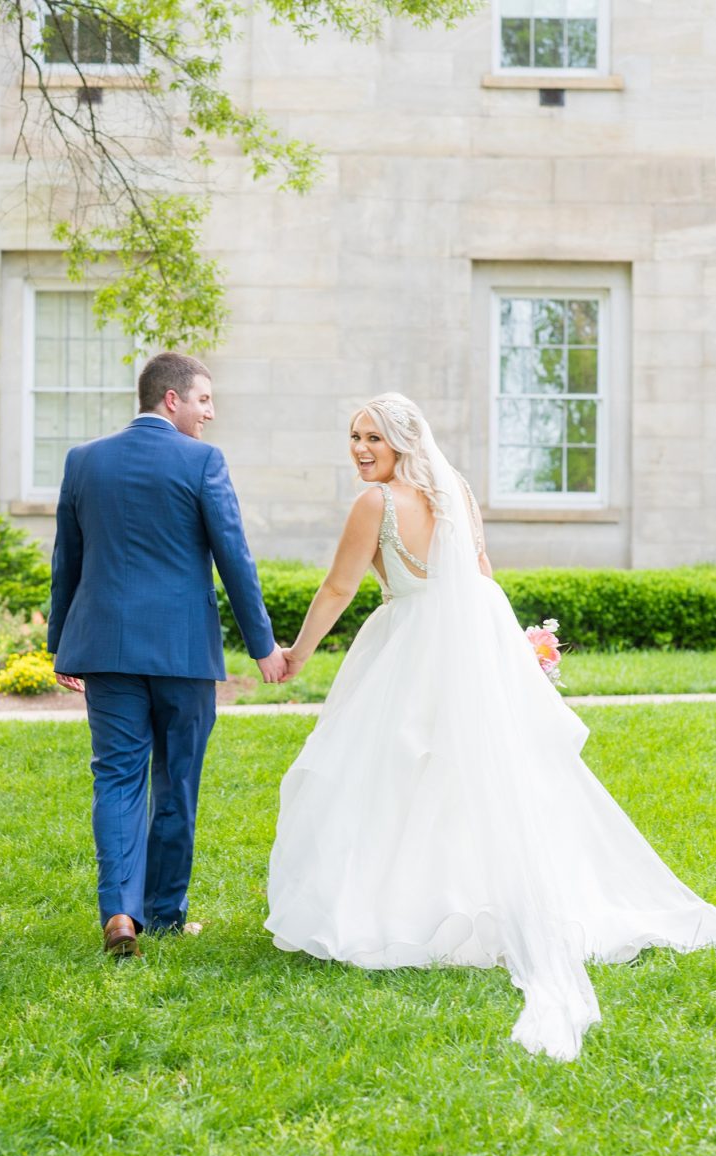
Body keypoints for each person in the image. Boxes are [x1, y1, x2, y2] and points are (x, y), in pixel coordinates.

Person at [266, 392, 716, 1061]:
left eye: (374, 438)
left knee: (397, 772)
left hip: (414, 646)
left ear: (402, 444)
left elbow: (337, 589)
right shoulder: (456, 492)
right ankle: (465, 900)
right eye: (354, 436)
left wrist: (296, 654)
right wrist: (512, 652)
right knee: (469, 777)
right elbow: (481, 578)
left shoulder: (376, 504)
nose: (361, 449)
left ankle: (411, 909)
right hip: (470, 643)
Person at [48, 351, 286, 956]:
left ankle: (120, 914)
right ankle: (166, 914)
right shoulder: (202, 461)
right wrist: (262, 646)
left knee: (117, 779)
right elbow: (235, 557)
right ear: (172, 399)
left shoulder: (83, 462)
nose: (211, 412)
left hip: (102, 647)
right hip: (182, 654)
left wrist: (61, 646)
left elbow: (66, 564)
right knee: (176, 781)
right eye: (204, 400)